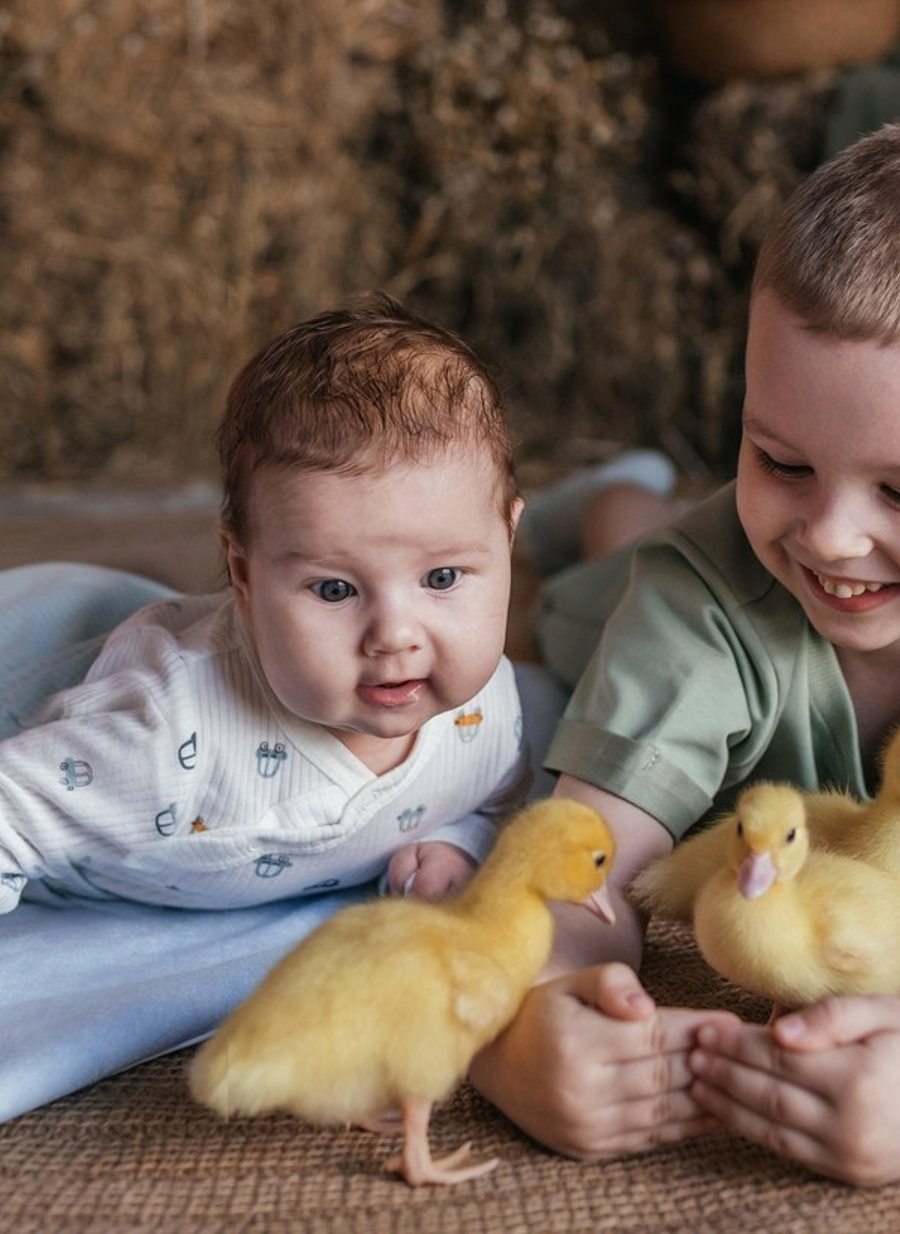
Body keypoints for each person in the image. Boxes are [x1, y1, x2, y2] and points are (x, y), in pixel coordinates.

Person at [468, 114, 900, 1185]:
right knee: (594, 578)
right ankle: (613, 503)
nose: (832, 535)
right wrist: (523, 1020)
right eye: (779, 456)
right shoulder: (695, 598)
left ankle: (636, 495)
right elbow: (584, 856)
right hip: (623, 594)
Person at [0, 292, 531, 915]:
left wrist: (455, 841)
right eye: (336, 589)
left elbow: (492, 805)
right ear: (242, 573)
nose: (394, 635)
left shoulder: (487, 712)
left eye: (442, 577)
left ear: (508, 541)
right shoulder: (166, 734)